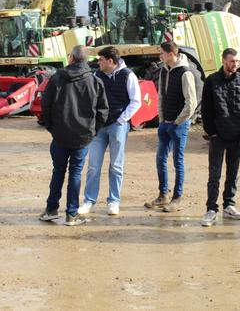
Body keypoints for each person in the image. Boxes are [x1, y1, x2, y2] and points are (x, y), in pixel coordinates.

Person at [39, 46, 109, 226]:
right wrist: (92, 132)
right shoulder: (95, 82)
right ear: (85, 61)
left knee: (58, 172)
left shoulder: (56, 79)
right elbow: (102, 112)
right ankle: (71, 214)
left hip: (61, 135)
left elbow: (45, 106)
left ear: (71, 59)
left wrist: (51, 127)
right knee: (75, 173)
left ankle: (51, 209)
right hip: (82, 137)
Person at [78, 46, 142, 216]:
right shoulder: (96, 76)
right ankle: (88, 201)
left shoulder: (128, 75)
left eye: (100, 59)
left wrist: (122, 119)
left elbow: (136, 101)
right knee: (93, 166)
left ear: (110, 61)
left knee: (116, 166)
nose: (98, 62)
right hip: (99, 127)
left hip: (118, 126)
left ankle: (114, 201)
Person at [199, 48, 240, 227]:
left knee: (233, 173)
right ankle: (211, 209)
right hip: (217, 136)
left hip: (237, 137)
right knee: (214, 174)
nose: (235, 64)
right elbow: (206, 109)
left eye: (236, 61)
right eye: (231, 61)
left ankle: (229, 205)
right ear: (223, 61)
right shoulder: (211, 81)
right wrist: (211, 131)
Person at [144, 41, 197, 213]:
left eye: (161, 53)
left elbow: (191, 103)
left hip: (178, 124)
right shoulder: (164, 71)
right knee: (160, 159)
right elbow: (160, 97)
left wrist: (177, 122)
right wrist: (161, 119)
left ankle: (177, 198)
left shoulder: (185, 73)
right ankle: (163, 195)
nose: (160, 56)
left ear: (169, 53)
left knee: (178, 160)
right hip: (165, 123)